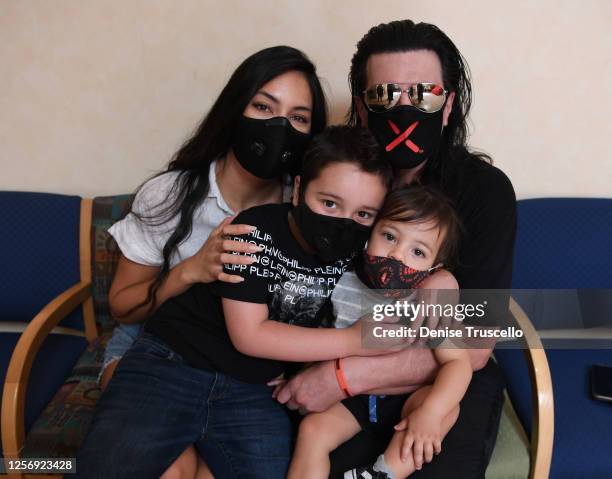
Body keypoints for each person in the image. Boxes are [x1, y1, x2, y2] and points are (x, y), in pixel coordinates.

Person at [74, 126, 393, 479]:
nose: (343, 224)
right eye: (329, 203)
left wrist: (442, 283)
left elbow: (419, 268)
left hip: (253, 391)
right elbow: (250, 335)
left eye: (363, 215)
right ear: (300, 190)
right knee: (103, 468)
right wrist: (355, 341)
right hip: (173, 364)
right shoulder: (253, 230)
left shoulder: (360, 252)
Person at [273, 20, 517, 478]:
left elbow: (477, 344)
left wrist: (343, 376)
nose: (404, 109)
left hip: (439, 378)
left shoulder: (485, 191)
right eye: (385, 96)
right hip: (334, 371)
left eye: (423, 94)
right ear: (363, 110)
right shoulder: (342, 184)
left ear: (447, 106)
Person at [96, 45, 327, 479]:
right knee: (171, 469)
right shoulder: (172, 194)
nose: (279, 126)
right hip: (155, 348)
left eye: (298, 117)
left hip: (246, 371)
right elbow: (122, 308)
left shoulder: (310, 210)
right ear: (234, 110)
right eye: (263, 106)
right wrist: (191, 270)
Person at [287, 185, 470, 479]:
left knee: (446, 409)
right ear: (369, 234)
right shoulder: (342, 279)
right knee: (312, 431)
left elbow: (458, 363)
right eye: (389, 236)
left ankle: (382, 474)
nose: (397, 255)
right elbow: (316, 333)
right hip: (353, 398)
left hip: (405, 397)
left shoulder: (427, 303)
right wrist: (288, 369)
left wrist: (431, 412)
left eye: (417, 251)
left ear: (435, 267)